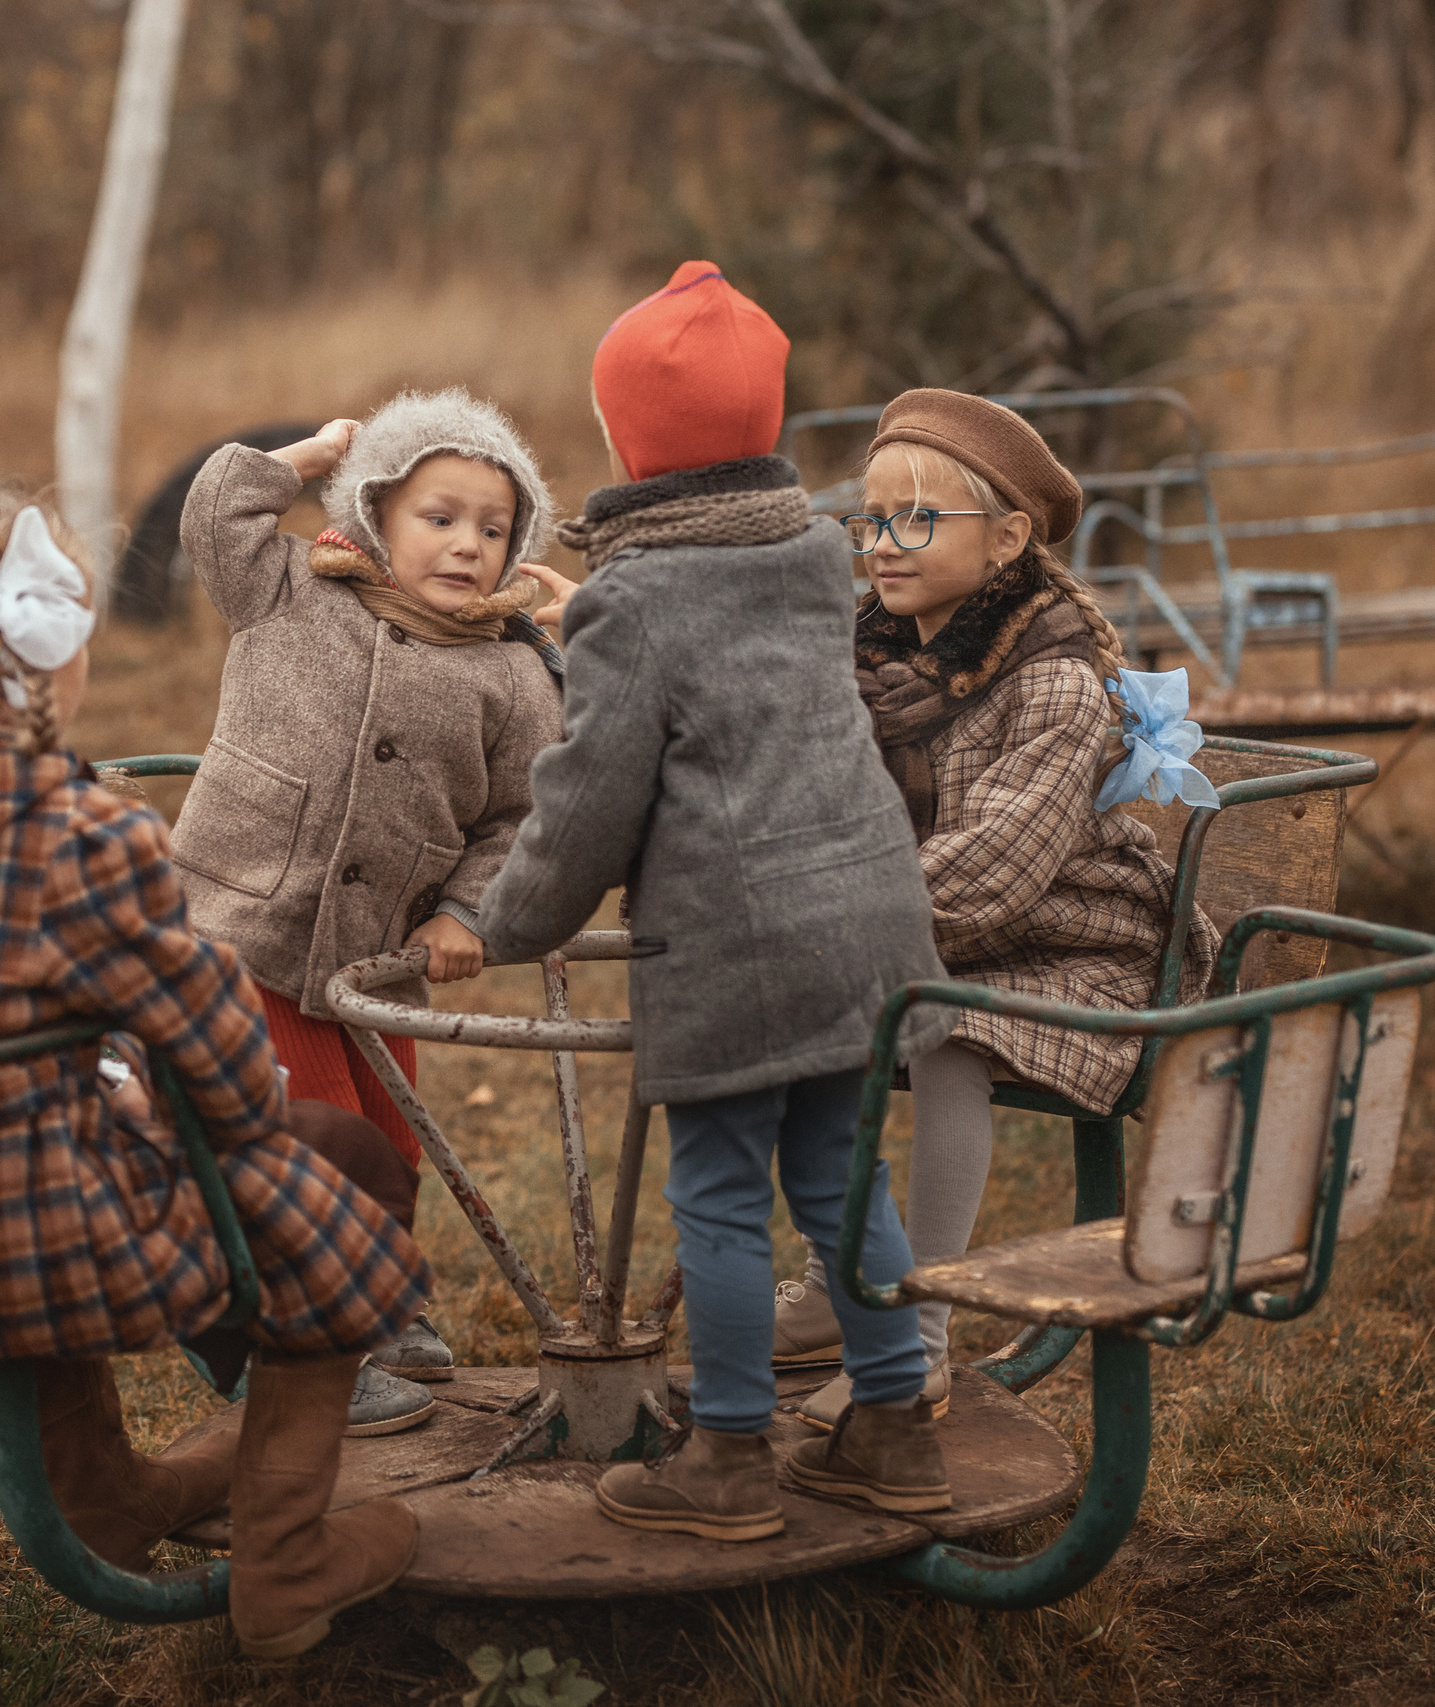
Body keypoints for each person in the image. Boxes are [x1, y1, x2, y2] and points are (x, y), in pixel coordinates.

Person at [0, 481, 428, 1657]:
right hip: (21, 1232)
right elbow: (217, 1061)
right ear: (43, 657)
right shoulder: (73, 829)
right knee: (347, 1166)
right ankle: (288, 1562)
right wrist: (196, 1094)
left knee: (62, 1134)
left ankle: (106, 1493)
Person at [472, 261, 959, 1536]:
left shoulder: (636, 596)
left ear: (631, 441)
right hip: (867, 916)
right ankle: (896, 1427)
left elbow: (587, 800)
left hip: (744, 946)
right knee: (845, 1177)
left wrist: (506, 922)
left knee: (723, 1198)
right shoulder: (806, 552)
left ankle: (731, 1459)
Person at [781, 390, 1222, 1431]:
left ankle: (920, 1338)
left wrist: (837, 914)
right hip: (933, 938)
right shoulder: (872, 662)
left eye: (918, 519)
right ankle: (838, 1291)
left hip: (1079, 951)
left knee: (943, 1034)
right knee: (798, 1013)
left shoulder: (1058, 684)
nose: (883, 545)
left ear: (1008, 538)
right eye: (871, 520)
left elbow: (994, 871)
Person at [170, 388, 568, 1401]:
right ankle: (303, 1347)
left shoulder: (514, 672)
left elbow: (519, 817)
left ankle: (379, 1305)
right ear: (375, 515)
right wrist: (300, 457)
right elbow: (214, 510)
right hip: (244, 926)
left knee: (391, 1139)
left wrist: (464, 909)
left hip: (378, 953)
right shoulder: (293, 589)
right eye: (439, 518)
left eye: (493, 527)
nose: (467, 545)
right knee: (310, 1134)